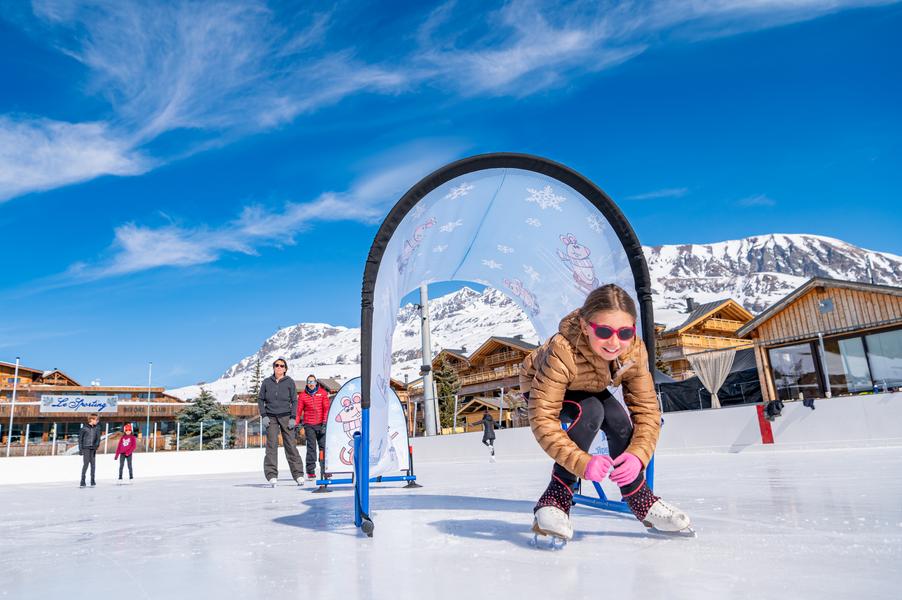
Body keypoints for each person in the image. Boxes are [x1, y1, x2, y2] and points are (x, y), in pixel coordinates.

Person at [521, 284, 693, 542]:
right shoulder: (562, 350)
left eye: (625, 332)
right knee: (590, 410)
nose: (615, 343)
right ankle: (556, 497)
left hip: (590, 385)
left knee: (618, 421)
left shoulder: (634, 350)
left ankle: (640, 498)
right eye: (603, 331)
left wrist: (637, 456)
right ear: (584, 326)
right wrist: (583, 463)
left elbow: (646, 410)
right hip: (541, 387)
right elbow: (542, 417)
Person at [257, 358, 305, 487]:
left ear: (285, 368)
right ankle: (272, 475)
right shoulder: (267, 382)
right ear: (273, 368)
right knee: (271, 446)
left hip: (286, 416)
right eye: (276, 365)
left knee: (290, 445)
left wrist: (293, 417)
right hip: (271, 417)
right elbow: (260, 400)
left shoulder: (289, 382)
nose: (279, 367)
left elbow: (295, 401)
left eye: (281, 365)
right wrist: (264, 415)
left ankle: (298, 475)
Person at [297, 374, 330, 481]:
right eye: (309, 382)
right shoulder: (302, 395)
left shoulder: (323, 393)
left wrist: (325, 423)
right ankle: (310, 471)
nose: (311, 384)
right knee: (311, 448)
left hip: (321, 424)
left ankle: (325, 469)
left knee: (323, 447)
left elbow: (326, 409)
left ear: (316, 383)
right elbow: (298, 412)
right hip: (309, 425)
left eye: (313, 382)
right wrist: (296, 424)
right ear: (307, 383)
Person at [79, 413, 101, 488]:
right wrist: (80, 449)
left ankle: (92, 480)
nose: (97, 421)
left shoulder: (97, 428)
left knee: (93, 465)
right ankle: (82, 480)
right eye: (96, 420)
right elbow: (80, 440)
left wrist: (97, 445)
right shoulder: (84, 428)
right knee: (86, 464)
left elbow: (98, 438)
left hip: (93, 448)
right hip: (86, 448)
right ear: (91, 419)